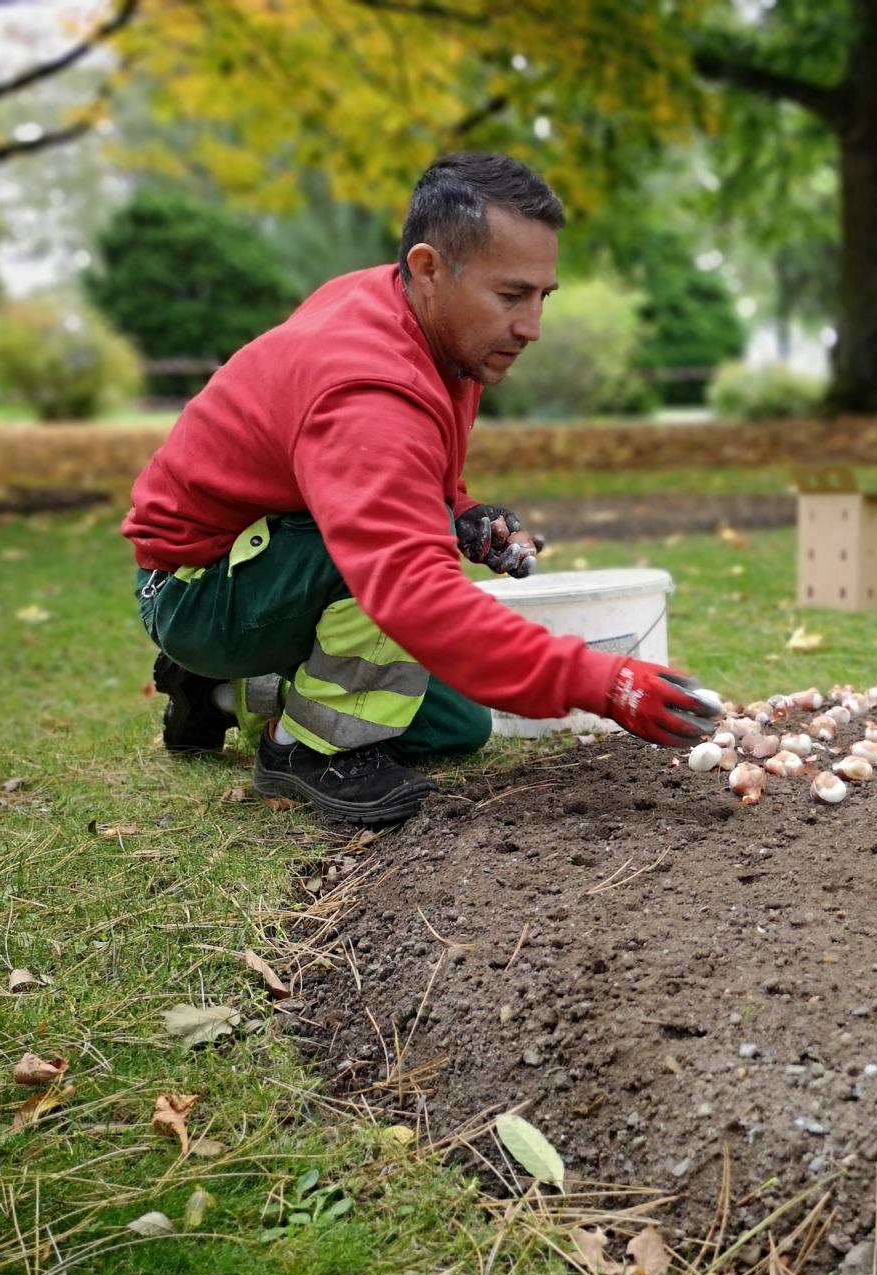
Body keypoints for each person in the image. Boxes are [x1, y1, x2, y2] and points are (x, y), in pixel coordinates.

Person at [123, 152, 718, 825]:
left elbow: (406, 467)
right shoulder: (366, 388)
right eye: (512, 295)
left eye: (542, 297)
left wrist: (463, 510)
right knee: (397, 587)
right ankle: (302, 754)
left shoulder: (424, 321)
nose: (532, 327)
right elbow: (412, 588)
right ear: (429, 268)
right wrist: (604, 684)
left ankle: (222, 693)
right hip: (197, 582)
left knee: (456, 728)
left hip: (265, 558)